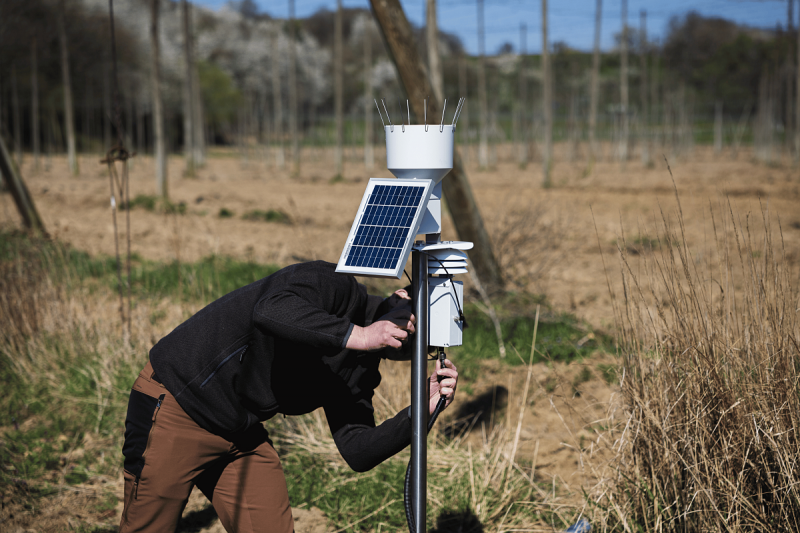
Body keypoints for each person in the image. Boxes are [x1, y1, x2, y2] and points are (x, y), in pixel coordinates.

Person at [119, 260, 459, 533]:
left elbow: (357, 449)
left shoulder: (361, 370)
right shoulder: (334, 285)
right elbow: (271, 309)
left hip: (239, 432)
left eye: (425, 345)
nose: (412, 342)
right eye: (415, 323)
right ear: (400, 296)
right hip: (179, 405)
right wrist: (357, 335)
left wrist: (420, 411)